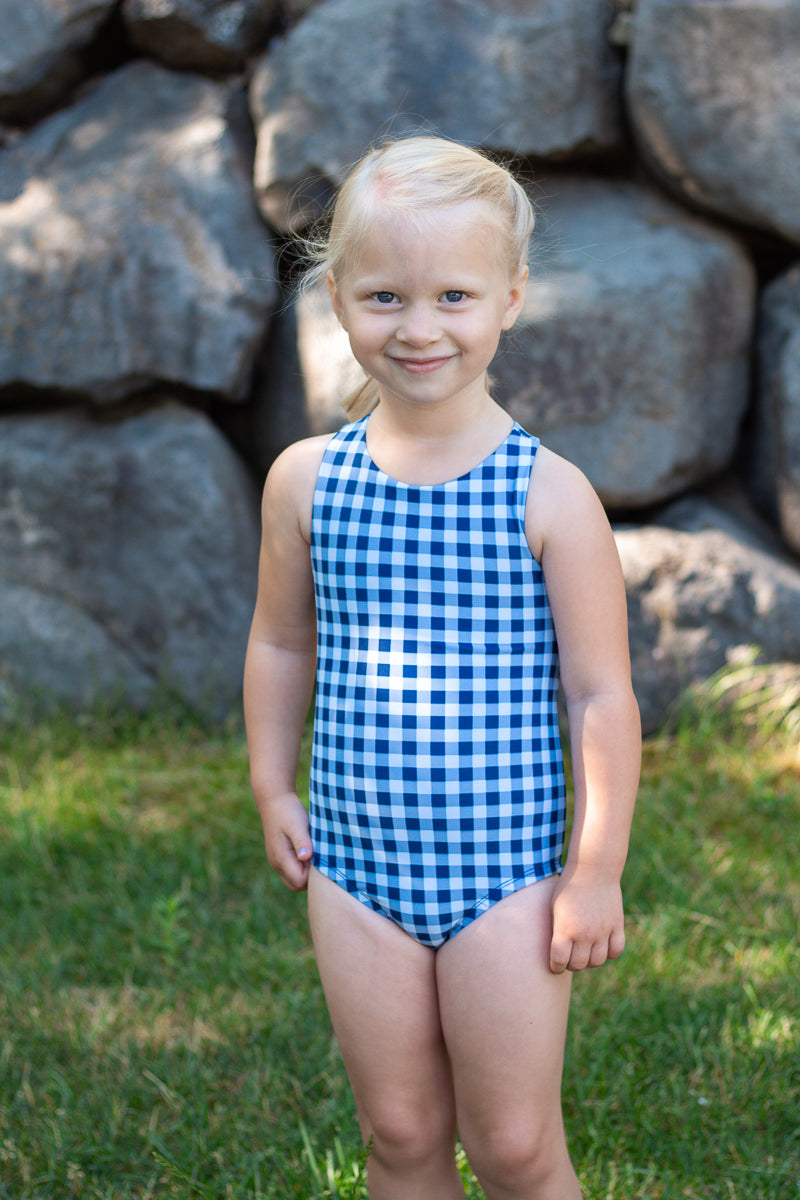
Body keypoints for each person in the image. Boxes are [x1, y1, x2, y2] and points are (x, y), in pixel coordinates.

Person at [243, 135, 641, 1200]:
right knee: (401, 1131)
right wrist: (272, 784)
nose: (419, 328)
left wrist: (594, 869)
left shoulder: (549, 496)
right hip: (355, 868)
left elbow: (599, 694)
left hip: (507, 873)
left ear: (510, 299)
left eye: (454, 296)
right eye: (385, 296)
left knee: (513, 1146)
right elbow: (281, 642)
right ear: (336, 297)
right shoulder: (306, 483)